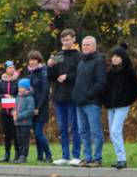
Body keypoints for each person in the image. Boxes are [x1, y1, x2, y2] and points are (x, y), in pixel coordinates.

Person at [102, 44, 137, 169]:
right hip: (111, 106)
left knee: (115, 131)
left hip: (122, 105)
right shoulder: (109, 72)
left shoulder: (129, 72)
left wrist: (127, 100)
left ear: (123, 58)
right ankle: (120, 159)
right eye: (113, 56)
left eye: (117, 56)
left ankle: (122, 159)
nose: (114, 58)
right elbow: (105, 89)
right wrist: (105, 100)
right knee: (113, 133)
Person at [47, 29, 82, 166]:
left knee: (75, 127)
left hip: (73, 96)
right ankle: (65, 155)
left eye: (68, 39)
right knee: (62, 127)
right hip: (59, 97)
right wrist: (49, 66)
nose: (66, 42)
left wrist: (68, 77)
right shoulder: (59, 56)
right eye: (63, 40)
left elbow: (80, 75)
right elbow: (51, 76)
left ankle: (76, 155)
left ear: (74, 39)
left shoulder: (78, 56)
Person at [72, 36, 106, 167]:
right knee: (82, 131)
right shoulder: (81, 61)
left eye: (88, 45)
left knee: (95, 131)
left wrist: (89, 94)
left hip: (92, 103)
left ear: (94, 46)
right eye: (83, 44)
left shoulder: (99, 61)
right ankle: (87, 157)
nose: (85, 47)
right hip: (79, 103)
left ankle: (97, 158)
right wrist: (76, 95)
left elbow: (101, 82)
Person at [27, 51, 52, 163]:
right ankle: (39, 156)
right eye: (30, 60)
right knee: (36, 133)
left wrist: (38, 107)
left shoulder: (43, 72)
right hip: (32, 107)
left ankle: (48, 155)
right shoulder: (32, 73)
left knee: (38, 132)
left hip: (41, 107)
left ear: (39, 60)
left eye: (34, 59)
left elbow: (45, 91)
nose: (31, 62)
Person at [0, 60, 19, 162]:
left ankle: (17, 154)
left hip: (15, 111)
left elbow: (21, 94)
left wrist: (13, 97)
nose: (11, 69)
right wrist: (4, 95)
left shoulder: (18, 81)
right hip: (4, 112)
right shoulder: (0, 82)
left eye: (13, 67)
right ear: (6, 69)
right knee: (7, 134)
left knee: (15, 133)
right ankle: (7, 154)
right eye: (9, 68)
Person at [13, 78, 35, 164]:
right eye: (19, 87)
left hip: (25, 123)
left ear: (27, 88)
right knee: (18, 139)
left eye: (22, 87)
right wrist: (13, 112)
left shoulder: (30, 98)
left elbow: (30, 111)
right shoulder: (18, 97)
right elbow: (15, 107)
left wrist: (18, 116)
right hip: (17, 123)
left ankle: (23, 156)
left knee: (24, 139)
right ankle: (18, 155)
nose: (20, 89)